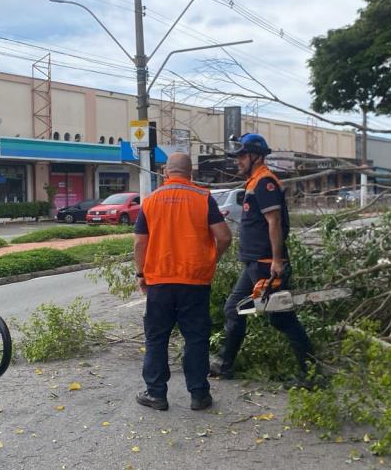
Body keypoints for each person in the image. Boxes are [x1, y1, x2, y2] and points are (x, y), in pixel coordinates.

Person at [210, 133, 317, 387]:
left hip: (266, 264)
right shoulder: (254, 182)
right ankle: (225, 365)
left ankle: (311, 374)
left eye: (242, 156)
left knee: (282, 318)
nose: (238, 161)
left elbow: (274, 222)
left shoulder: (265, 182)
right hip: (254, 264)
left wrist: (277, 261)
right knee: (233, 309)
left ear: (256, 156)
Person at [133, 152, 232, 411]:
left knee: (156, 338)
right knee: (196, 338)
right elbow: (224, 237)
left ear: (166, 172)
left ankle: (156, 394)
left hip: (159, 282)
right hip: (194, 281)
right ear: (191, 173)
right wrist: (210, 260)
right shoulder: (203, 198)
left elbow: (139, 242)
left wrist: (141, 274)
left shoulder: (151, 200)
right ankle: (199, 395)